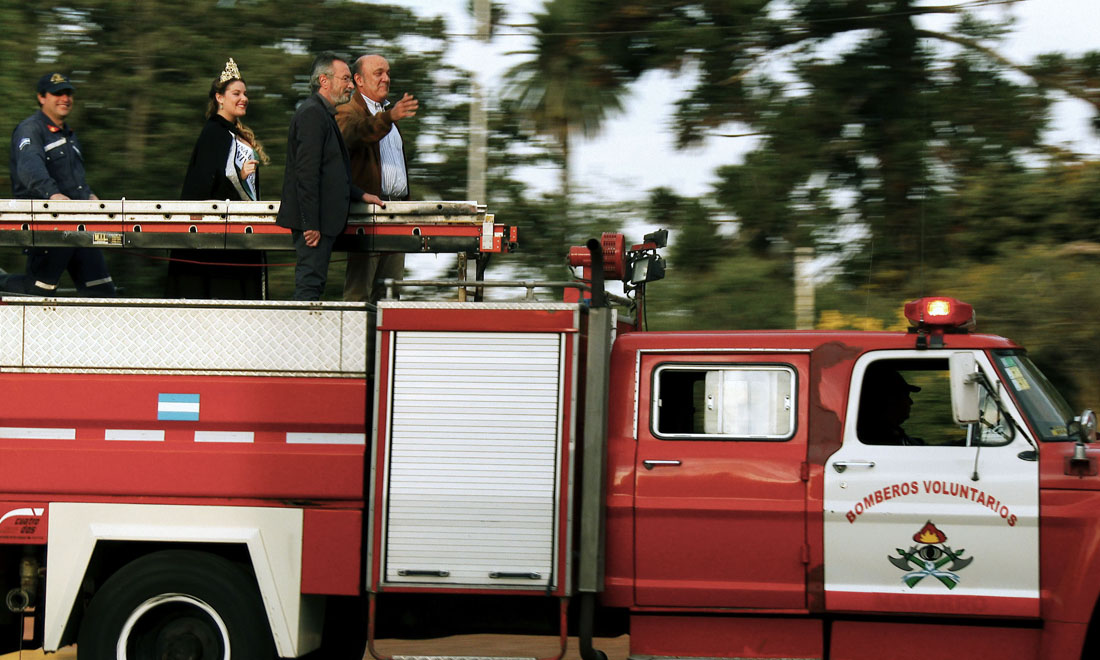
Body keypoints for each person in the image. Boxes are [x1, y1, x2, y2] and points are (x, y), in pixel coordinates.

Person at [275, 53, 385, 301]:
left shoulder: (324, 115)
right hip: (315, 223)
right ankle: (301, 327)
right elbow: (307, 172)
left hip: (322, 221)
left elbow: (331, 172)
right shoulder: (313, 114)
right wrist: (310, 223)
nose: (351, 85)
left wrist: (360, 194)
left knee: (314, 284)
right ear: (324, 80)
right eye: (345, 78)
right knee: (310, 285)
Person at [1, 73, 115, 297]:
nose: (65, 98)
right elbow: (30, 168)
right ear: (41, 97)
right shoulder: (30, 129)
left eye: (68, 93)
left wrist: (90, 196)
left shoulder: (69, 135)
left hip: (79, 227)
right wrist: (52, 195)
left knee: (102, 293)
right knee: (38, 292)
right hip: (49, 226)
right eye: (57, 93)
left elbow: (75, 180)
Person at [173, 57, 270, 299]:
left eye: (245, 93)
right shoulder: (214, 134)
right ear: (220, 98)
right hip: (220, 239)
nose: (243, 98)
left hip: (239, 233)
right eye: (236, 93)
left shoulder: (233, 134)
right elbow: (203, 187)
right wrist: (240, 176)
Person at [335, 54, 418, 303]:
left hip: (397, 213)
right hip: (368, 214)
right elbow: (355, 133)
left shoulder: (387, 114)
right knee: (359, 294)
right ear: (359, 80)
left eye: (388, 73)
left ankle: (382, 332)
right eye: (378, 73)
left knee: (390, 293)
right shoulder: (347, 111)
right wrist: (389, 117)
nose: (386, 78)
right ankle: (354, 331)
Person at [857, 365, 923, 445]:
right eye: (905, 396)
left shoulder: (894, 433)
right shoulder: (879, 438)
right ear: (888, 400)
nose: (911, 402)